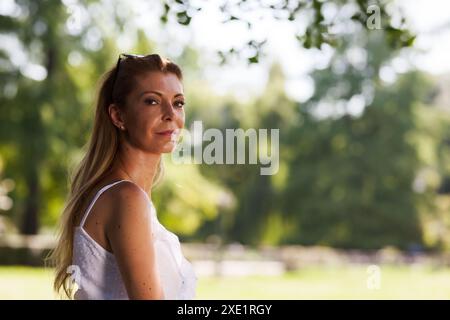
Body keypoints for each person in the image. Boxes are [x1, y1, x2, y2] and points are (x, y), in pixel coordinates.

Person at [48, 53, 197, 300]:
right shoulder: (125, 197)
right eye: (152, 101)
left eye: (178, 102)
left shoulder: (121, 195)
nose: (171, 114)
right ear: (118, 116)